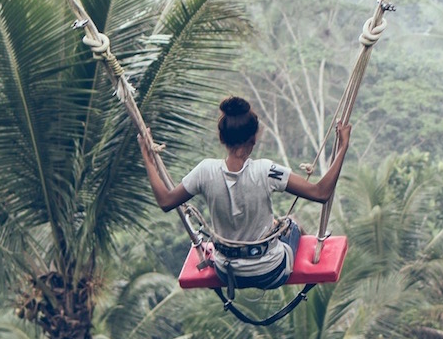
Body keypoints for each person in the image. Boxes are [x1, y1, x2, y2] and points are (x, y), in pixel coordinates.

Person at [139, 96, 352, 289]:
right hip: (271, 273)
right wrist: (342, 147)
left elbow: (166, 201)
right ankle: (312, 260)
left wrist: (149, 160)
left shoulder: (204, 171)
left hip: (227, 273)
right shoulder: (266, 171)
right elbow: (321, 192)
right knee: (290, 224)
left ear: (222, 138)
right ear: (253, 140)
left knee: (276, 226)